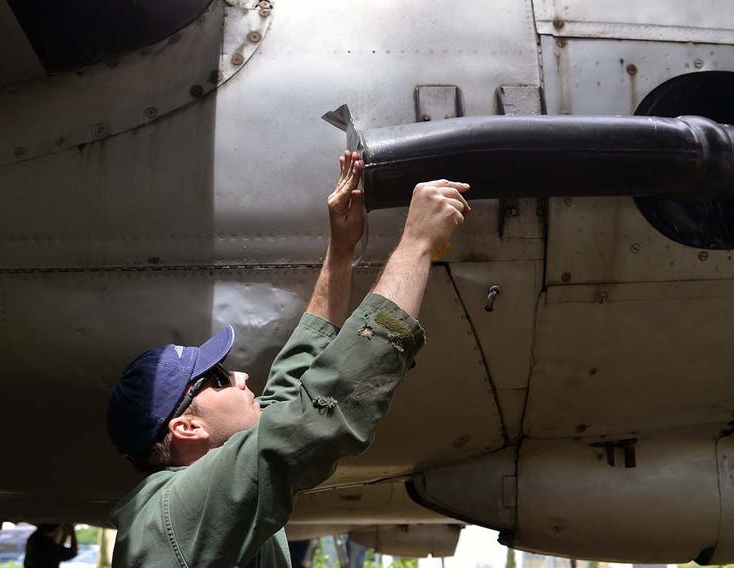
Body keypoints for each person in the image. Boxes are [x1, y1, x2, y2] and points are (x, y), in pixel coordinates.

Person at [105, 150, 471, 567]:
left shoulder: (197, 502)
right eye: (220, 379)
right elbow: (312, 421)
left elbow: (288, 395)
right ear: (187, 427)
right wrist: (417, 245)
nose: (241, 376)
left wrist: (341, 249)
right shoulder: (175, 515)